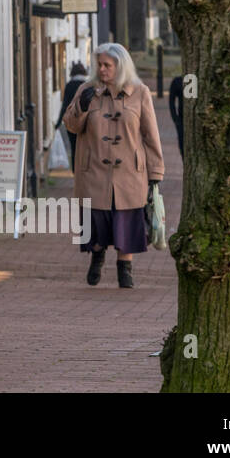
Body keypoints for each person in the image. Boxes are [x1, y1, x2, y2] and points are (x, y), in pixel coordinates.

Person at [63, 43, 164, 289]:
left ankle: (124, 269)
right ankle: (97, 258)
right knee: (98, 218)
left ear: (121, 66)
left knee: (127, 220)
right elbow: (71, 125)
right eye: (99, 65)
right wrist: (83, 107)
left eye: (108, 65)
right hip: (95, 169)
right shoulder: (87, 90)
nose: (102, 69)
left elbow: (151, 135)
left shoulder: (140, 92)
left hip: (130, 171)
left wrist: (155, 172)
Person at [55, 61, 89, 172]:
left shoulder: (69, 86)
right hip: (85, 122)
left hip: (72, 121)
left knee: (74, 147)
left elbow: (65, 104)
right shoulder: (87, 86)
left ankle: (75, 171)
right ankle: (84, 170)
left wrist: (59, 122)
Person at [169, 74, 184, 159]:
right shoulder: (177, 81)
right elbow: (171, 102)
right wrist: (176, 120)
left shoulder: (194, 80)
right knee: (182, 147)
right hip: (181, 121)